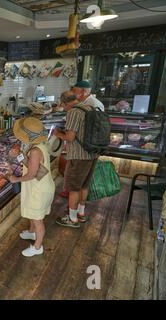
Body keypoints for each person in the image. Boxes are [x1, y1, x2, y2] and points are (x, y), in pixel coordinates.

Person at [9, 117, 55, 257]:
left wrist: (15, 179)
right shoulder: (40, 146)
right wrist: (19, 156)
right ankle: (32, 232)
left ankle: (37, 247)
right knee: (33, 214)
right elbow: (34, 167)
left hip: (39, 189)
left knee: (37, 219)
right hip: (40, 185)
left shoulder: (35, 151)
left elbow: (33, 174)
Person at [53, 92, 98, 228]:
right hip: (92, 153)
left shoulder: (73, 112)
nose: (64, 108)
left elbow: (70, 137)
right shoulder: (88, 107)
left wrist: (58, 134)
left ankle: (72, 219)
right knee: (84, 185)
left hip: (79, 156)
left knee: (73, 188)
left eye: (63, 106)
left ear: (65, 103)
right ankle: (80, 213)